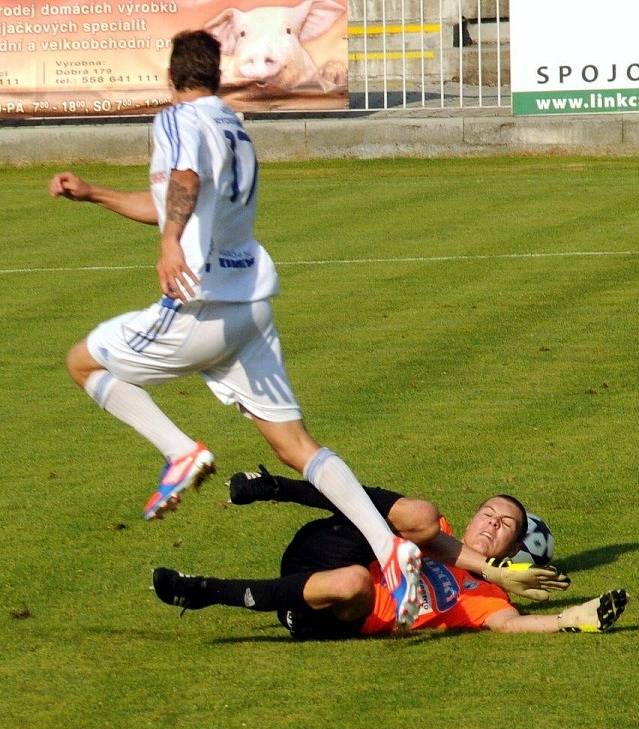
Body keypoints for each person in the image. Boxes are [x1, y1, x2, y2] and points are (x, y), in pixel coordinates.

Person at [47, 30, 422, 628]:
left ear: (171, 79)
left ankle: (180, 452)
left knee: (82, 362)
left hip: (204, 305)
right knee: (295, 445)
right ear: (218, 77)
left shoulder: (175, 120)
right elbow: (172, 196)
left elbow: (185, 186)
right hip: (252, 306)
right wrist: (93, 193)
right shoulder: (233, 125)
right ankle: (392, 550)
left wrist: (169, 244)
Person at [153, 471, 626, 637]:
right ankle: (275, 486)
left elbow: (513, 624)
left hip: (330, 609)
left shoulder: (488, 602)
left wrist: (569, 620)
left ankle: (204, 591)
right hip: (320, 547)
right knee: (415, 512)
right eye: (488, 512)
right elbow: (357, 499)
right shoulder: (438, 531)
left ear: (515, 548)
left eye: (505, 525)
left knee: (355, 582)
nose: (491, 523)